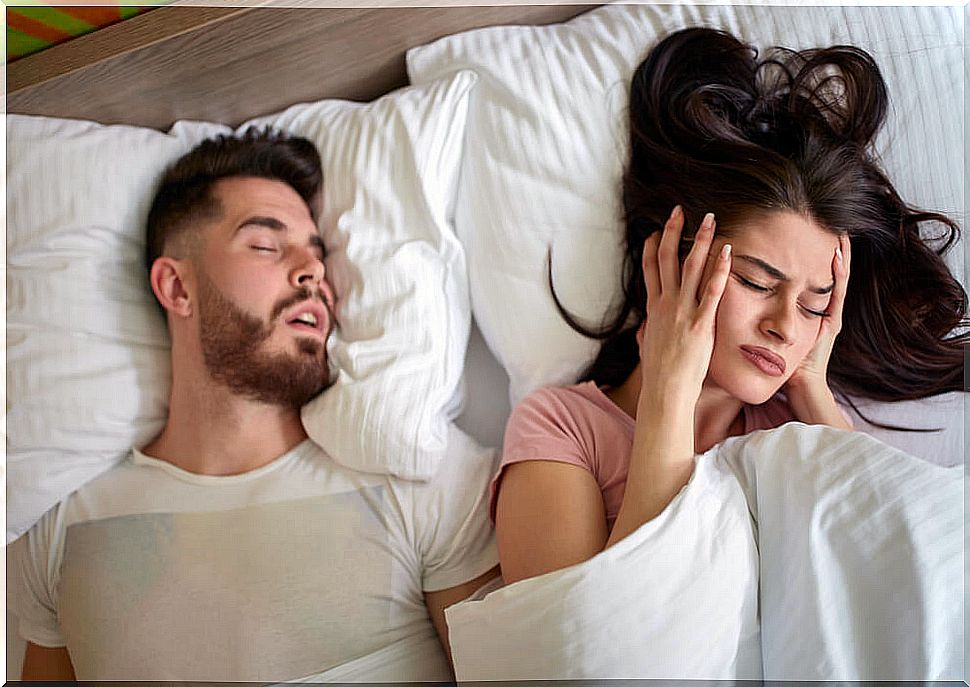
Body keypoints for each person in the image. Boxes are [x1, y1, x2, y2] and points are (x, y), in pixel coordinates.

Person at [10, 129, 499, 681]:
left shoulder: (421, 483)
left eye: (318, 255)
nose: (312, 273)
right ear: (176, 287)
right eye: (266, 245)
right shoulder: (59, 532)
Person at [493, 28, 968, 584]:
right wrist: (669, 392)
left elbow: (893, 559)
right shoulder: (563, 429)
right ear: (672, 261)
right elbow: (590, 642)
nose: (785, 327)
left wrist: (812, 384)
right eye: (757, 282)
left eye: (816, 306)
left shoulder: (794, 424)